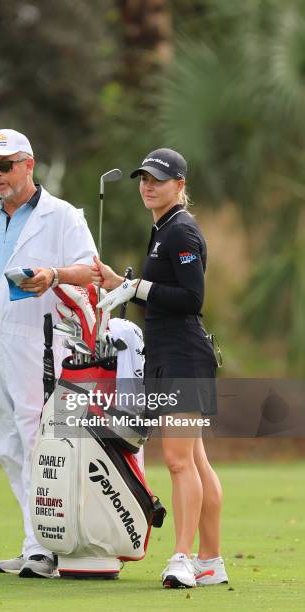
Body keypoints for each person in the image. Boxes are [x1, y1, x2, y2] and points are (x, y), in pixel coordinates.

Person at [0, 129, 97, 578]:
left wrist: (54, 275)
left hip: (41, 342)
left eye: (5, 165)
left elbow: (91, 271)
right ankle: (36, 542)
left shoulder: (62, 215)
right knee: (7, 441)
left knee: (37, 441)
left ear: (29, 164)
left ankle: (47, 547)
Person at [93, 148, 228, 589]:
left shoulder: (180, 231)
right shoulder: (163, 230)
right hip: (170, 354)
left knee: (177, 461)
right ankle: (211, 560)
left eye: (158, 179)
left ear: (180, 186)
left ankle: (183, 558)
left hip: (183, 357)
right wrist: (122, 284)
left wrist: (138, 287)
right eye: (143, 179)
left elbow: (191, 300)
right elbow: (159, 292)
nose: (147, 185)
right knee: (196, 461)